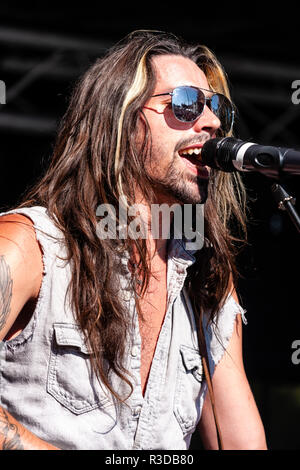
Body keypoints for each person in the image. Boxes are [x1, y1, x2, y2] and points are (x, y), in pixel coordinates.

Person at [0, 30, 267, 450]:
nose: (211, 121)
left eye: (216, 108)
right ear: (120, 120)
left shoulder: (206, 282)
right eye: (184, 104)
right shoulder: (28, 245)